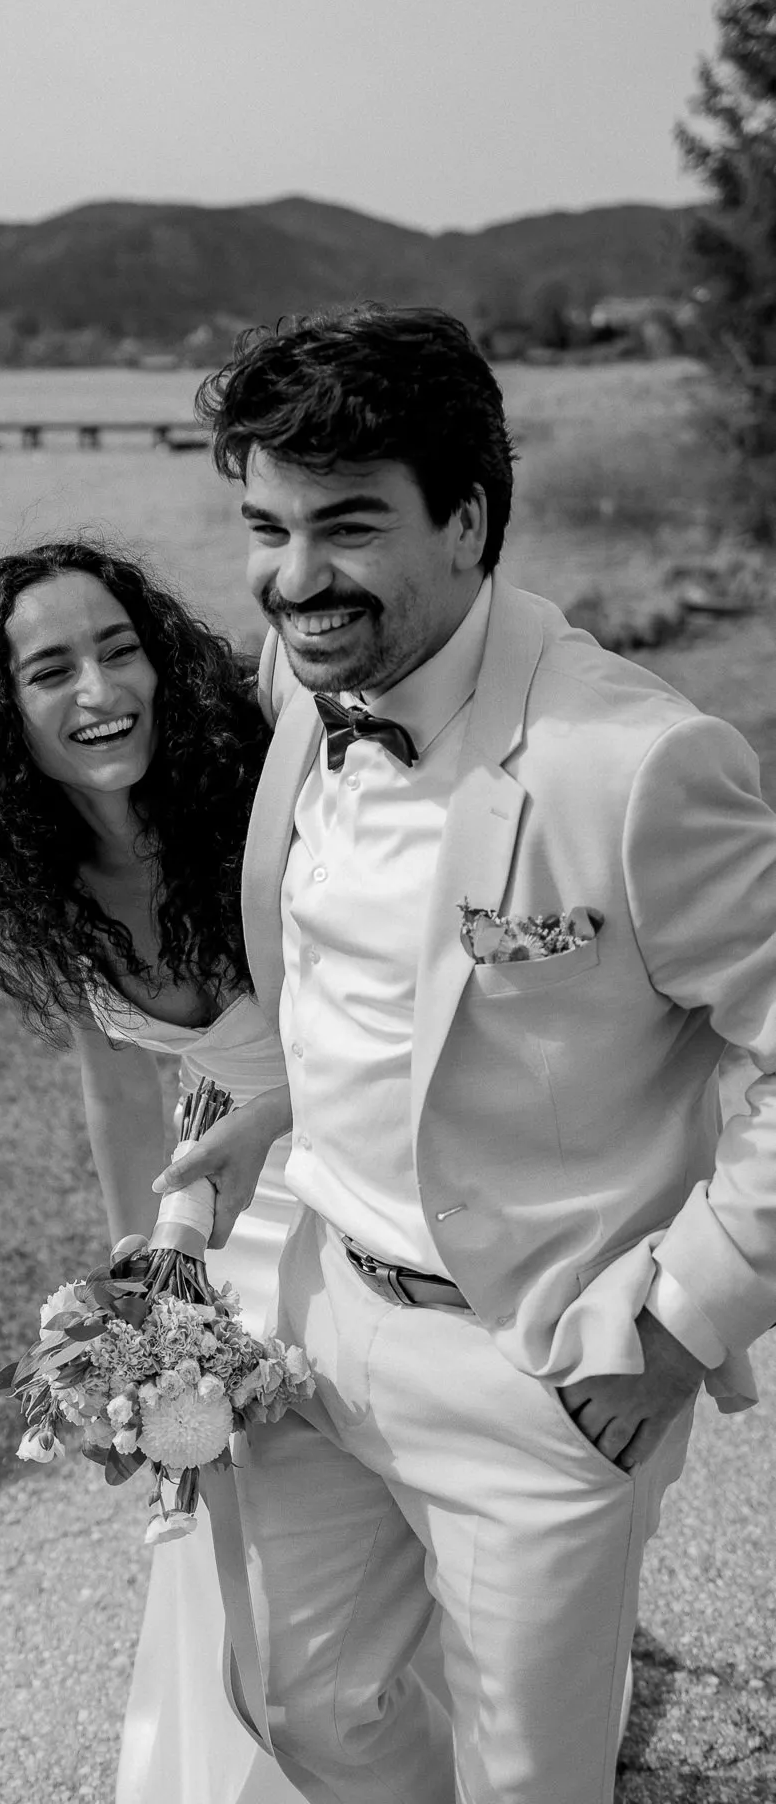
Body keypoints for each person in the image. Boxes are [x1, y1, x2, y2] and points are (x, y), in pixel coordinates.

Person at [154, 307, 776, 1804]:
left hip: (533, 1364)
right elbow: (378, 982)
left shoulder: (631, 763)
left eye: (347, 525)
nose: (293, 579)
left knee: (525, 1785)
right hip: (308, 1316)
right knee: (309, 1711)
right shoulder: (304, 677)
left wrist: (681, 1322)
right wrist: (274, 1108)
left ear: (471, 518)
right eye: (264, 526)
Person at [0, 539, 305, 1804]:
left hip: (363, 1154)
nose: (98, 689)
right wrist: (150, 1295)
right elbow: (122, 1093)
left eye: (119, 648)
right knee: (222, 1475)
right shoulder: (40, 886)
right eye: (52, 668)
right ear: (4, 714)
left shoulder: (260, 800)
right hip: (216, 1196)